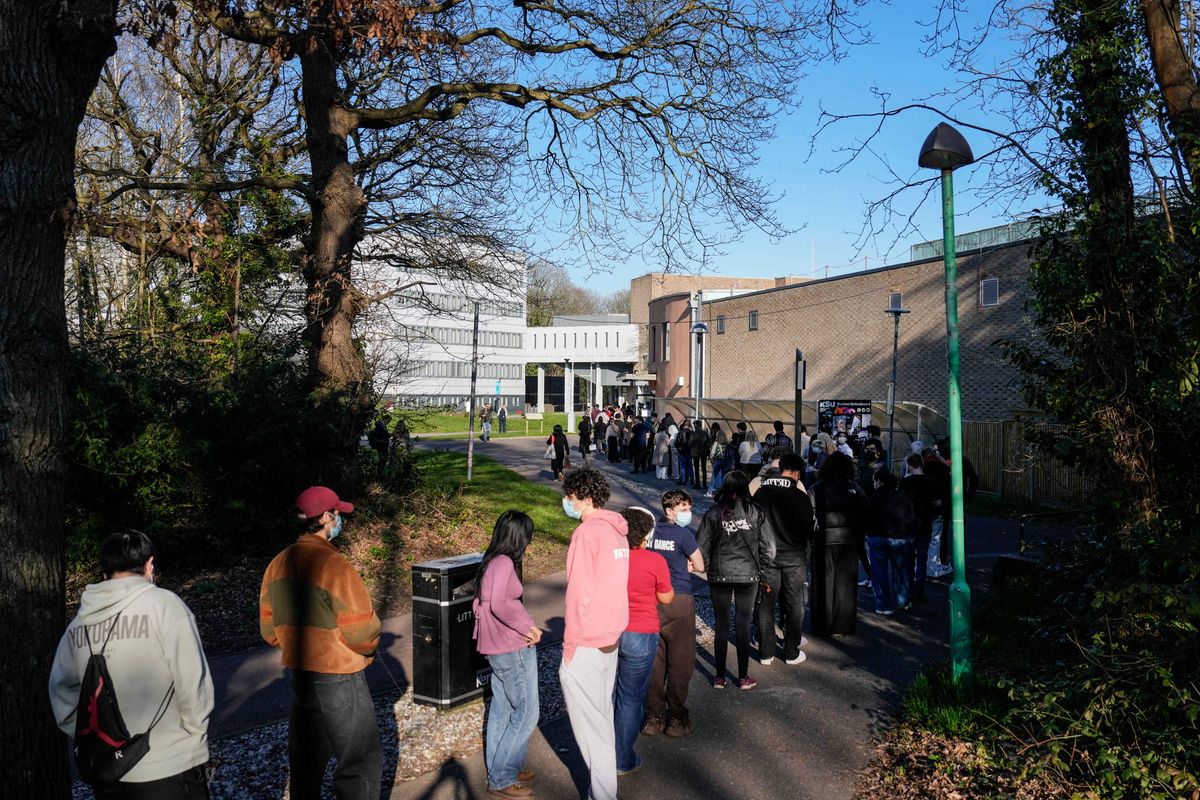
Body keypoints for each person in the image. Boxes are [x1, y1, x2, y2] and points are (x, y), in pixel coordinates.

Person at [49, 530, 214, 800]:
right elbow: (193, 683)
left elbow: (60, 690)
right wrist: (193, 740)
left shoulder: (78, 626)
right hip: (169, 765)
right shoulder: (166, 606)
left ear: (104, 572)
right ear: (150, 564)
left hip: (108, 770)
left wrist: (91, 737)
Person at [260, 487, 383, 800]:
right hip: (340, 676)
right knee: (359, 760)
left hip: (300, 675)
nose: (340, 519)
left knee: (305, 763)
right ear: (326, 518)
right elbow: (361, 632)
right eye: (337, 513)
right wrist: (368, 650)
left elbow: (268, 630)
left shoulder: (277, 564)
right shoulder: (335, 565)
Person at [560, 469, 630, 800]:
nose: (566, 503)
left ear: (586, 499)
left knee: (592, 730)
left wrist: (569, 645)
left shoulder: (587, 534)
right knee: (602, 716)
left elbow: (578, 594)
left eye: (570, 499)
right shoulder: (618, 532)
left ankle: (603, 794)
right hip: (611, 636)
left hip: (586, 640)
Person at [473, 511, 542, 800]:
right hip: (510, 645)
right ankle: (501, 777)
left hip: (496, 646)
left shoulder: (492, 560)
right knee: (526, 712)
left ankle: (506, 766)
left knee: (503, 708)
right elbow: (500, 605)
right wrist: (528, 626)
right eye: (527, 535)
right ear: (518, 536)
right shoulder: (503, 564)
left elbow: (485, 602)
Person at [696, 470, 776, 690]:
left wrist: (705, 567)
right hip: (748, 574)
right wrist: (762, 567)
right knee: (743, 623)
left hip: (719, 574)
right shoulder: (756, 513)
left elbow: (700, 546)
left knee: (721, 625)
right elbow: (770, 548)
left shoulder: (714, 513)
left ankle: (719, 677)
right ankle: (743, 676)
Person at [613, 507, 673, 776]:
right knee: (630, 699)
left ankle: (606, 750)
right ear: (647, 535)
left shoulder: (610, 559)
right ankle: (622, 759)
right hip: (641, 631)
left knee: (611, 695)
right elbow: (666, 598)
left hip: (610, 631)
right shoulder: (655, 561)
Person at [642, 490, 704, 738]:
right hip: (679, 599)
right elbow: (700, 565)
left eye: (689, 508)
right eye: (684, 509)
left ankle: (653, 717)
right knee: (680, 660)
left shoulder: (650, 531)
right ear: (670, 510)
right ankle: (676, 718)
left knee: (655, 661)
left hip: (651, 599)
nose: (688, 513)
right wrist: (687, 565)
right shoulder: (683, 534)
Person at [753, 452, 816, 666]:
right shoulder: (800, 496)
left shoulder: (762, 493)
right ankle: (791, 652)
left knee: (766, 603)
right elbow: (810, 528)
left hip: (767, 556)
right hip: (794, 557)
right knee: (794, 603)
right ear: (797, 473)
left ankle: (766, 653)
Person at [810, 453, 869, 636]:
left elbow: (810, 516)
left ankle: (822, 625)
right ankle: (842, 625)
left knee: (822, 583)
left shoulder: (816, 489)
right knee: (845, 584)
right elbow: (866, 510)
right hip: (849, 540)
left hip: (823, 540)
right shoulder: (854, 488)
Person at [866, 468, 918, 615]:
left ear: (879, 481)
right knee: (900, 570)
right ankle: (902, 601)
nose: (874, 483)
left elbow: (867, 516)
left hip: (877, 536)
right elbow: (910, 516)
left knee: (879, 572)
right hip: (899, 536)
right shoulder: (901, 496)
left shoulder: (874, 497)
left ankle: (883, 605)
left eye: (875, 481)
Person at [900, 453, 939, 602]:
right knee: (922, 559)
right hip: (925, 522)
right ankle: (919, 590)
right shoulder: (931, 482)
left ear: (909, 465)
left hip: (909, 523)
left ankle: (908, 589)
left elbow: (900, 503)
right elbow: (937, 503)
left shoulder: (905, 483)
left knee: (908, 559)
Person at [706, 426, 731, 497]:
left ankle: (711, 491)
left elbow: (712, 454)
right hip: (725, 461)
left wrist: (712, 460)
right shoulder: (727, 444)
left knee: (714, 476)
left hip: (717, 461)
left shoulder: (716, 444)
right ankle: (723, 491)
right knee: (723, 476)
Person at [688, 420, 711, 490]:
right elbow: (709, 443)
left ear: (695, 426)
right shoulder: (705, 433)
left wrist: (691, 448)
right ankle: (704, 484)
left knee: (697, 468)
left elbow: (689, 443)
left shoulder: (693, 434)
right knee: (704, 469)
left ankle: (697, 484)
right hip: (704, 453)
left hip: (695, 453)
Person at [673, 420, 694, 486]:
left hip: (682, 451)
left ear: (683, 424)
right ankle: (692, 480)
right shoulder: (692, 433)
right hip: (690, 452)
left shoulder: (680, 433)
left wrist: (678, 447)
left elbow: (676, 443)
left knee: (682, 466)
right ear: (689, 425)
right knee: (690, 466)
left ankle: (683, 480)